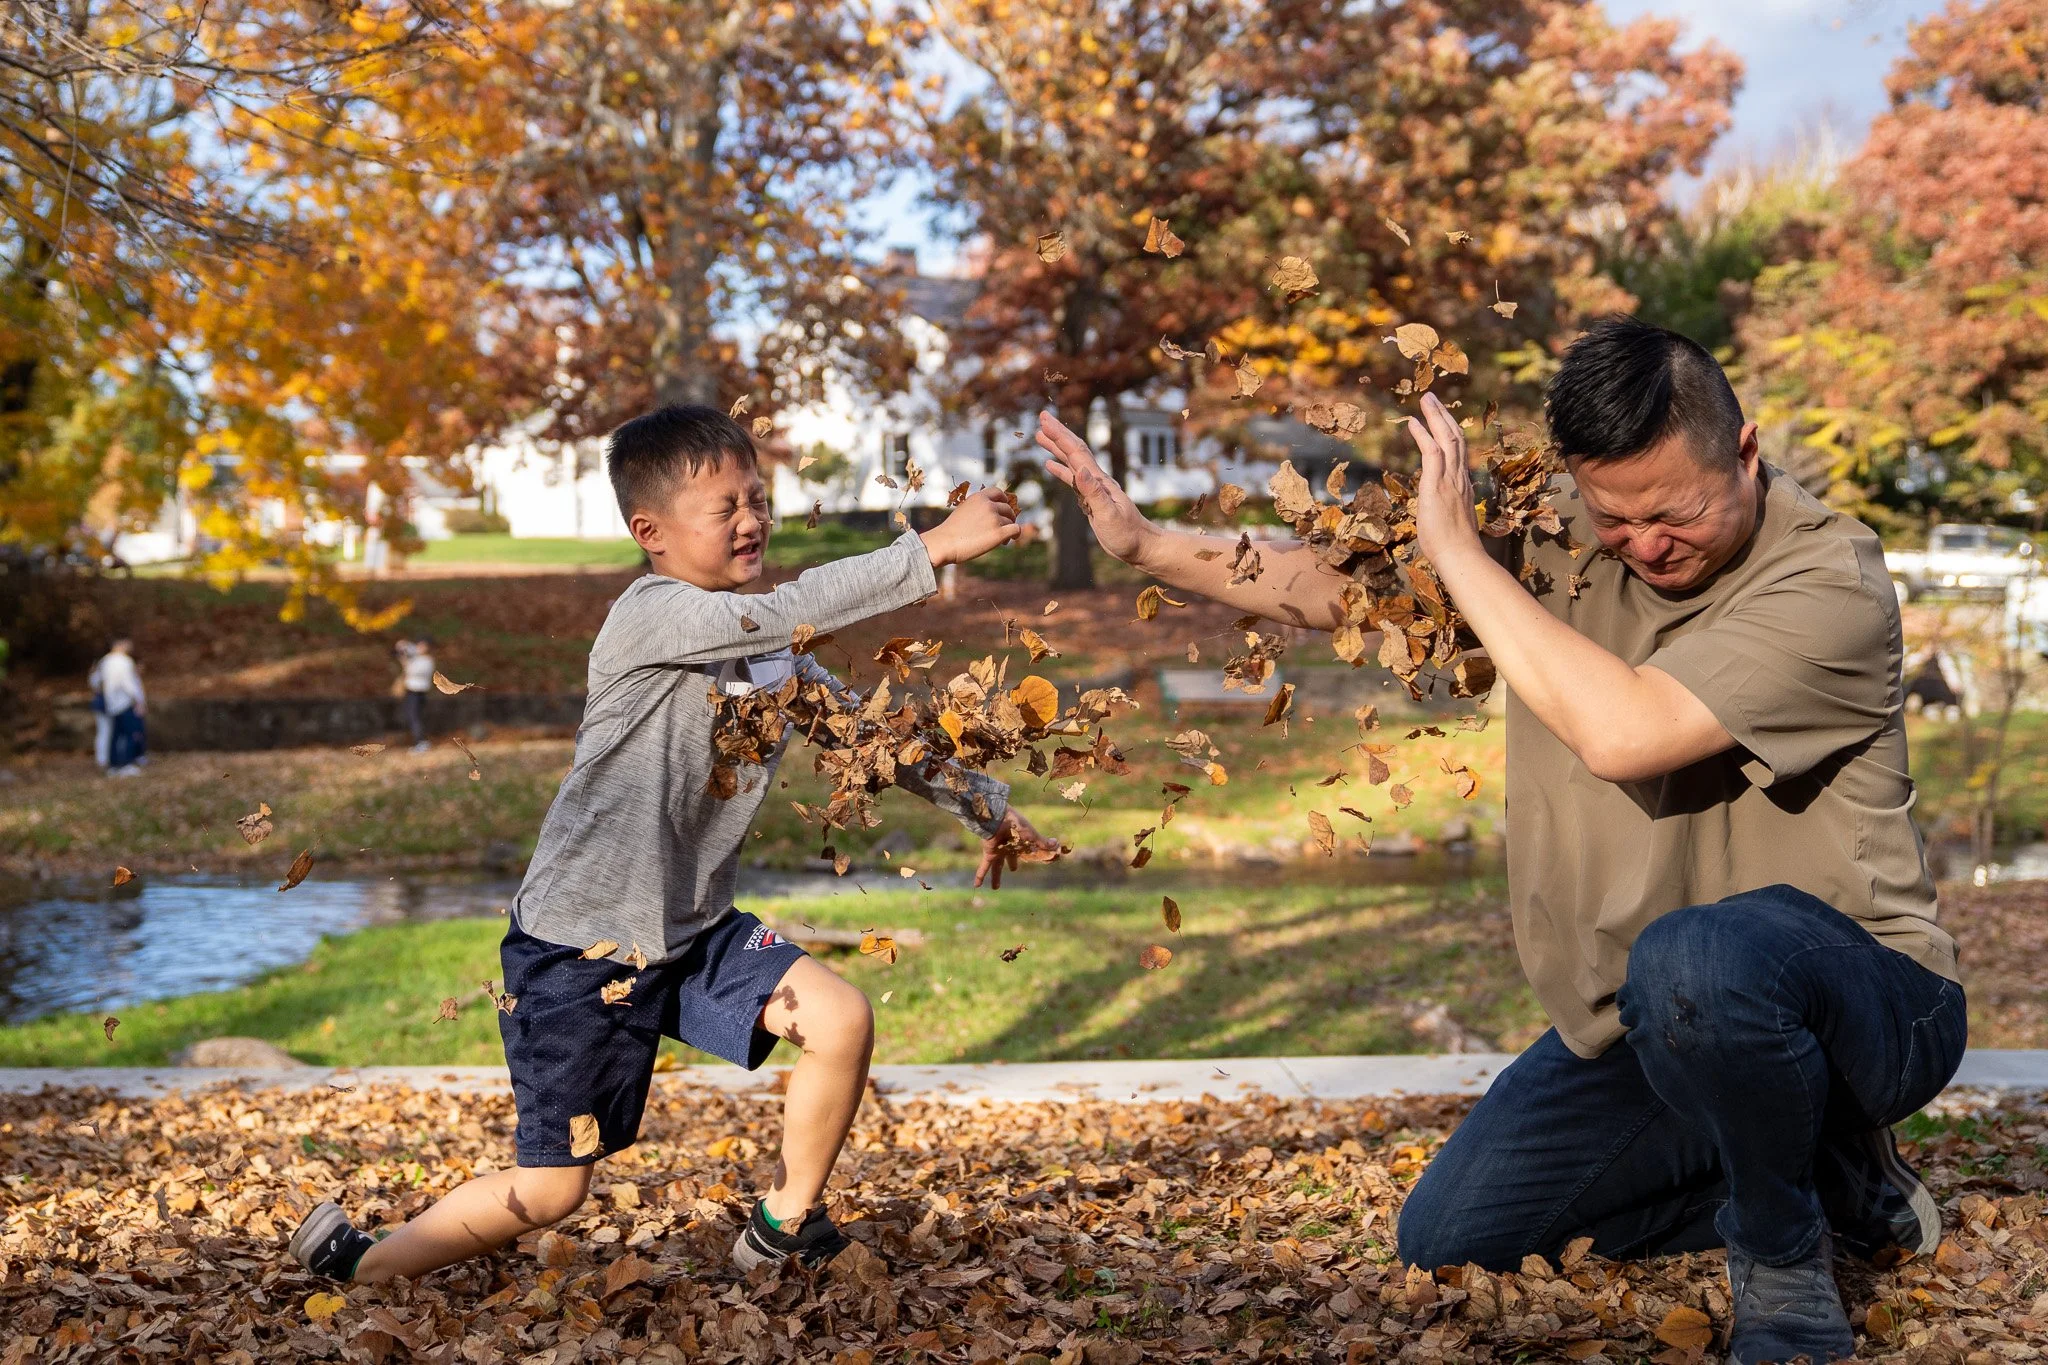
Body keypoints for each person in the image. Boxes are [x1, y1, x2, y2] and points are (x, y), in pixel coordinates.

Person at [1034, 318, 1962, 1365]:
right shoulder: (1558, 530)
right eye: (1613, 518)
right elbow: (1358, 591)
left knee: (1699, 951)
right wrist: (1146, 545)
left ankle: (1781, 1252)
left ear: (1742, 451)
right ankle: (1833, 1176)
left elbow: (1625, 733)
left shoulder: (1828, 578)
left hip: (1865, 1004)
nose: (1644, 545)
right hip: (1657, 1023)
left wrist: (1460, 552)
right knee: (1453, 1241)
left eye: (1673, 513)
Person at [290, 404, 1057, 1284]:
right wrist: (932, 549)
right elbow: (796, 606)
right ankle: (366, 1265)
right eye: (724, 506)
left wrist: (986, 808)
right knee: (551, 1192)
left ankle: (783, 1223)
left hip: (690, 930)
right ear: (649, 532)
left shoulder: (774, 656)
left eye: (758, 499)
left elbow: (869, 739)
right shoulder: (649, 617)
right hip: (579, 945)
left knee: (841, 1019)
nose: (751, 520)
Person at [89, 637, 147, 777]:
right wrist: (138, 700)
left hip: (112, 703)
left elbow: (96, 682)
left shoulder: (105, 661)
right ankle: (125, 764)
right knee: (128, 734)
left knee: (115, 735)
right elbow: (128, 683)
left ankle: (114, 765)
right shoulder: (124, 661)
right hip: (124, 703)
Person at [396, 636, 436, 751]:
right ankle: (419, 741)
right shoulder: (416, 658)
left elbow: (410, 671)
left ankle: (421, 741)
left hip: (418, 692)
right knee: (411, 716)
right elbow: (402, 648)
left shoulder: (427, 661)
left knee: (415, 717)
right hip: (410, 691)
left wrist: (405, 661)